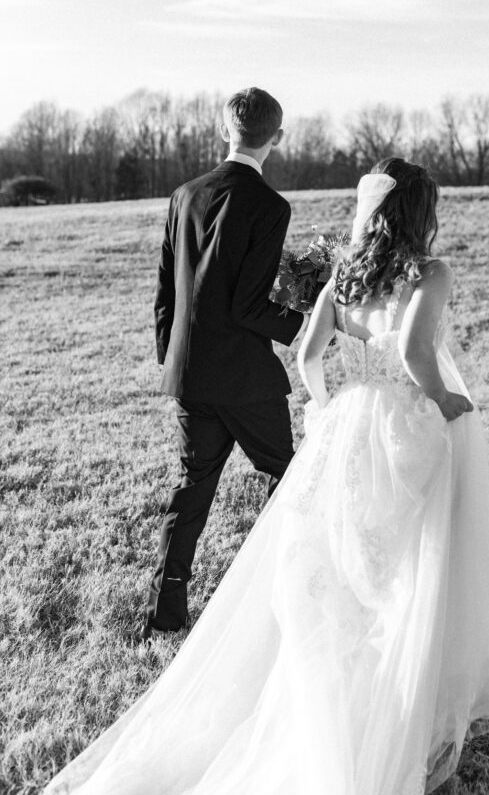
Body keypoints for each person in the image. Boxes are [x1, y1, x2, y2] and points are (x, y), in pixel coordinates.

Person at [45, 158, 489, 795]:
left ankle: (350, 682)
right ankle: (403, 693)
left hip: (346, 427)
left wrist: (332, 407)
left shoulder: (342, 281)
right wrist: (445, 403)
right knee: (407, 565)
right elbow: (415, 357)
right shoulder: (429, 274)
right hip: (399, 431)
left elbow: (306, 358)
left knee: (339, 566)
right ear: (420, 214)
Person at [141, 86, 306, 641]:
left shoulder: (184, 194)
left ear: (223, 131)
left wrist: (175, 360)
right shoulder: (270, 206)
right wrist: (308, 328)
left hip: (190, 375)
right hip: (245, 379)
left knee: (192, 487)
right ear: (276, 138)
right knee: (292, 477)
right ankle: (276, 594)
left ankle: (166, 615)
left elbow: (166, 291)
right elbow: (250, 305)